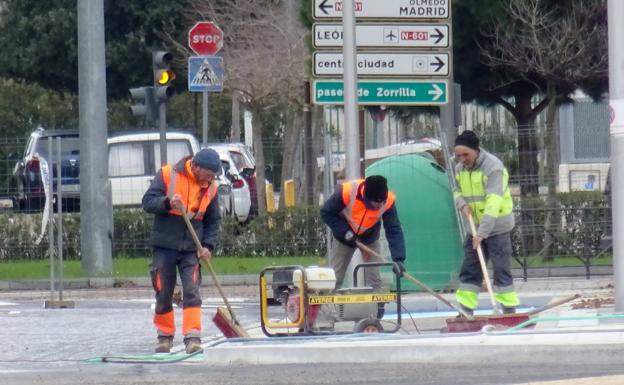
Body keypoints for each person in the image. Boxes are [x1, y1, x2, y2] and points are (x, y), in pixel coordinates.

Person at [142, 148, 222, 354]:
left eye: (214, 175)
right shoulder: (168, 175)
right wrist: (168, 202)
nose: (212, 178)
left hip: (191, 250)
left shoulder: (211, 188)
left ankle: (193, 337)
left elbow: (213, 221)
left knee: (192, 291)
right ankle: (165, 337)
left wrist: (208, 246)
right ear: (196, 166)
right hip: (164, 246)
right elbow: (148, 202)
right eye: (210, 173)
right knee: (164, 290)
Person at [452, 130, 519, 316]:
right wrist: (462, 204)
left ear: (476, 150)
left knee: (501, 269)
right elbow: (456, 191)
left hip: (496, 227)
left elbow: (493, 202)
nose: (462, 159)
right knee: (470, 268)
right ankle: (466, 309)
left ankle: (509, 310)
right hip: (474, 227)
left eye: (466, 154)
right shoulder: (459, 169)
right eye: (458, 155)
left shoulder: (493, 168)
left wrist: (483, 232)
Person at [320, 175, 406, 314]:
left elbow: (394, 229)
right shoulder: (347, 191)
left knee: (374, 278)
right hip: (345, 237)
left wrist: (399, 259)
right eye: (375, 204)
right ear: (366, 196)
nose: (379, 207)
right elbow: (326, 212)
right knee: (334, 277)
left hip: (369, 238)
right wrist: (346, 233)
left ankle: (375, 314)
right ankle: (324, 316)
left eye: (381, 203)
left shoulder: (388, 201)